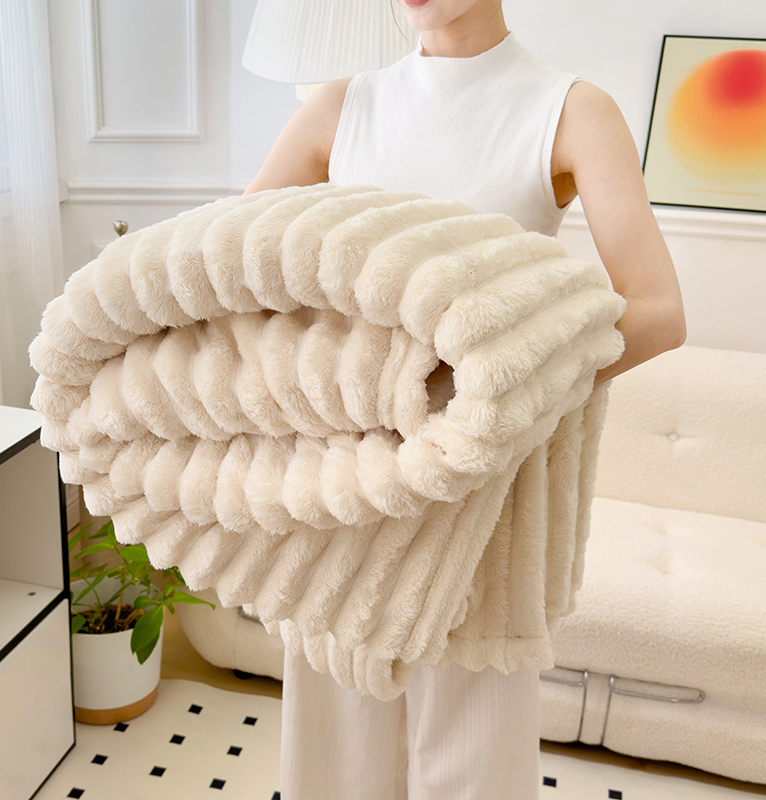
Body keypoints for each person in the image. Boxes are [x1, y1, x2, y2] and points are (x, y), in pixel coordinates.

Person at [244, 1, 686, 798]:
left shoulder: (570, 110)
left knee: (474, 756)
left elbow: (656, 311)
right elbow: (233, 273)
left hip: (483, 489)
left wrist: (492, 394)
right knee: (334, 753)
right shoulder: (342, 105)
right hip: (349, 483)